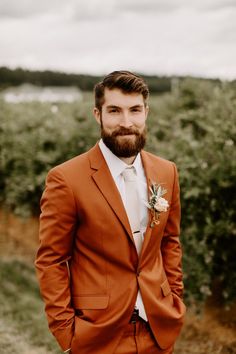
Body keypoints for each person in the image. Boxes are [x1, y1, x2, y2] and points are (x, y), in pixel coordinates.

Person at [35, 70, 186, 354]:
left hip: (158, 329)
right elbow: (51, 260)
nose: (126, 122)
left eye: (135, 110)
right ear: (98, 114)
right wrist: (66, 332)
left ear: (146, 113)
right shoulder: (66, 178)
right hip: (97, 335)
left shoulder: (167, 172)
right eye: (115, 110)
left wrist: (174, 299)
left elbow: (169, 242)